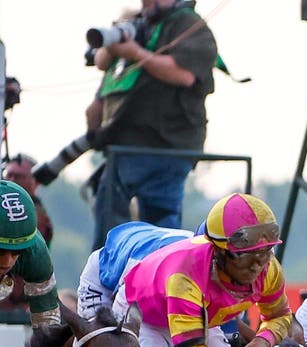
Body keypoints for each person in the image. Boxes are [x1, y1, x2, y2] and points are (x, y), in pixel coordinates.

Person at [114, 191, 291, 347]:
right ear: (219, 252)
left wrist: (263, 341)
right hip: (144, 318)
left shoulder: (269, 270)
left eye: (265, 251)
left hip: (199, 318)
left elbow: (279, 315)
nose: (257, 264)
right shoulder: (186, 277)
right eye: (246, 255)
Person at [85, 0, 217, 250]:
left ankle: (144, 272)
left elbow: (183, 73)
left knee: (160, 226)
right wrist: (116, 44)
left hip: (167, 144)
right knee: (118, 216)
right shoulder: (141, 23)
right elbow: (101, 61)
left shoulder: (189, 25)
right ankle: (118, 272)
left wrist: (135, 52)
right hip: (130, 144)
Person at [76, 220, 192, 318]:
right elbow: (122, 305)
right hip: (103, 274)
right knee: (105, 339)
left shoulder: (199, 253)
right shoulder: (152, 267)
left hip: (141, 245)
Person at [0, 181, 60, 326]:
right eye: (0, 251)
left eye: (17, 252)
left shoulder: (36, 254)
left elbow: (48, 328)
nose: (7, 262)